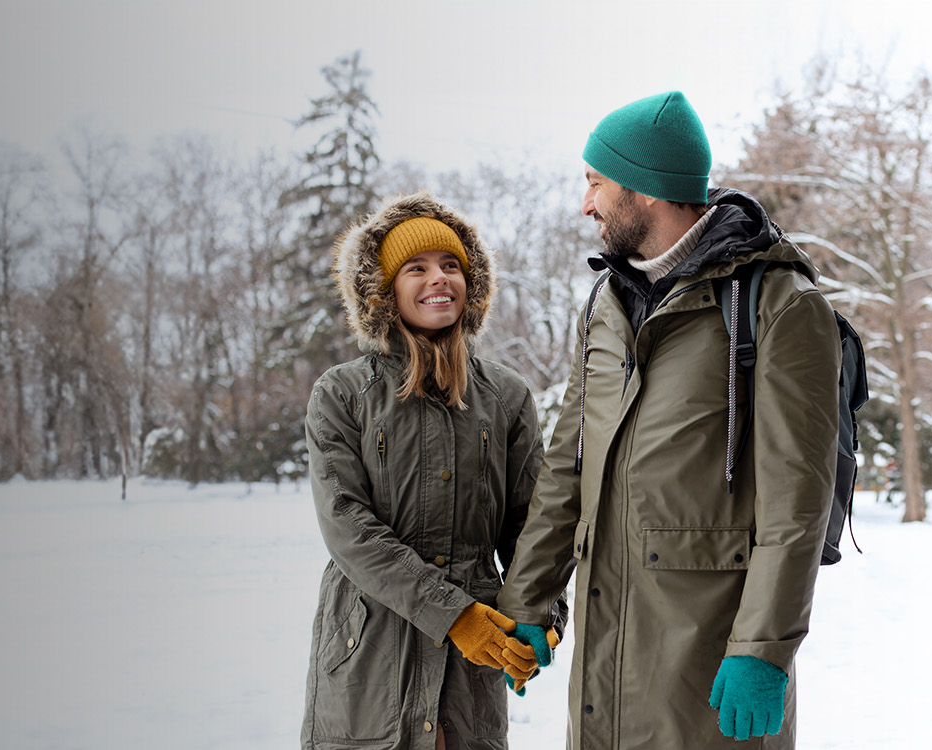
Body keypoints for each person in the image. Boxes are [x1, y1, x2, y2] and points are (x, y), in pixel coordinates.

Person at [495, 91, 840, 748]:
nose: (585, 203)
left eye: (595, 181)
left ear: (646, 187)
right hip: (605, 662)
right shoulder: (605, 303)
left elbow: (798, 499)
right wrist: (528, 599)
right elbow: (570, 464)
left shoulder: (777, 303)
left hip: (706, 658)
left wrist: (763, 649)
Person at [302, 193, 564, 750]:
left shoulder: (507, 396)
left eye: (451, 265)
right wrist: (455, 617)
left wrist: (539, 612)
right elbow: (346, 524)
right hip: (372, 644)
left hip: (472, 665)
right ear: (384, 290)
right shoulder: (342, 394)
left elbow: (533, 525)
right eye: (415, 268)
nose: (438, 279)